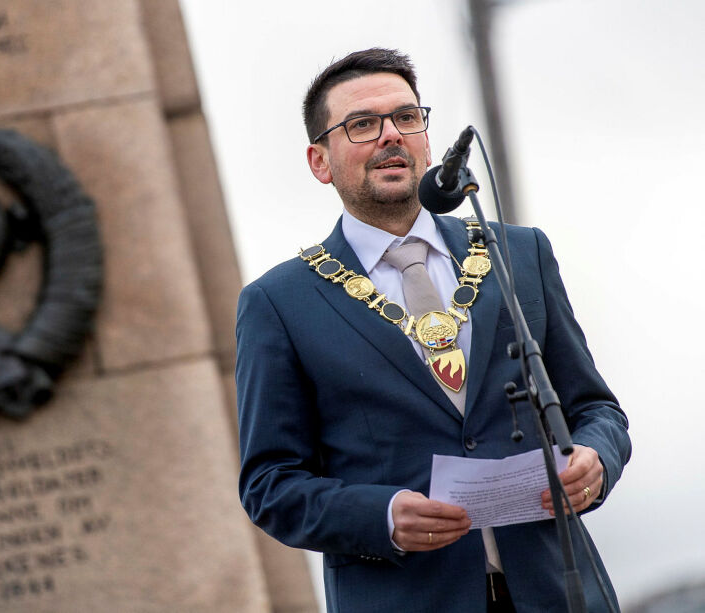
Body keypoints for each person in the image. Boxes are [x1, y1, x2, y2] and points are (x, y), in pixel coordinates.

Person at [235, 48, 631, 612]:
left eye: (406, 117)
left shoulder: (518, 252)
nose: (390, 136)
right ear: (319, 161)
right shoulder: (279, 303)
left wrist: (595, 458)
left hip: (558, 591)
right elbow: (270, 485)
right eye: (362, 125)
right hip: (405, 595)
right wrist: (382, 516)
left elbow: (597, 410)